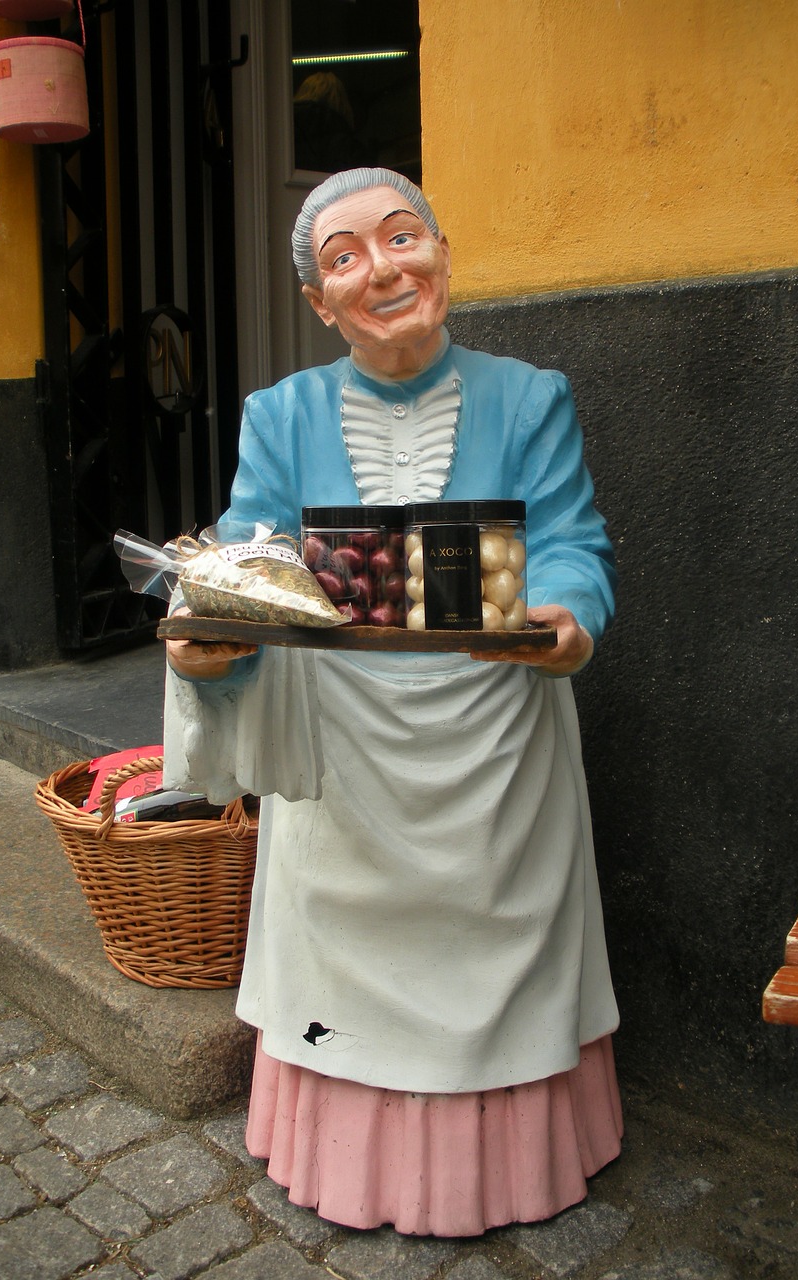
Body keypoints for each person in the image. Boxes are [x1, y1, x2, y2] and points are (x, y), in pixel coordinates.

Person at [161, 167, 622, 1237]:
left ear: (444, 254)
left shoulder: (531, 395)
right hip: (344, 748)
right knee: (345, 958)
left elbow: (569, 537)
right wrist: (212, 632)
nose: (384, 267)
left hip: (499, 734)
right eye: (345, 256)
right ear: (321, 304)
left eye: (402, 236)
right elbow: (252, 551)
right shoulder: (280, 416)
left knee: (504, 936)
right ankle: (349, 1149)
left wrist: (563, 611)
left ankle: (512, 1152)